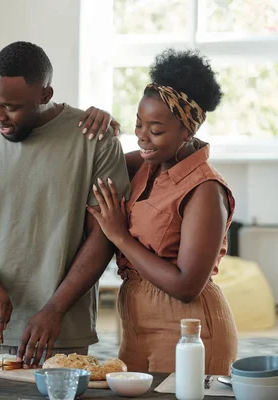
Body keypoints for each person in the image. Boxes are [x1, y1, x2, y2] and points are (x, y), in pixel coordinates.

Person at [0, 41, 131, 368]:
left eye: (11, 106)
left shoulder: (93, 139)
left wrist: (54, 310)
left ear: (45, 94)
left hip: (63, 327)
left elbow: (102, 237)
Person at [87, 48, 238, 374]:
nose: (142, 136)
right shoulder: (144, 164)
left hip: (191, 331)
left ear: (188, 131)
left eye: (155, 130)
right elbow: (91, 164)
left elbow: (186, 286)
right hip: (137, 327)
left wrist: (119, 237)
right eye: (139, 124)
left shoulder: (206, 191)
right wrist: (96, 125)